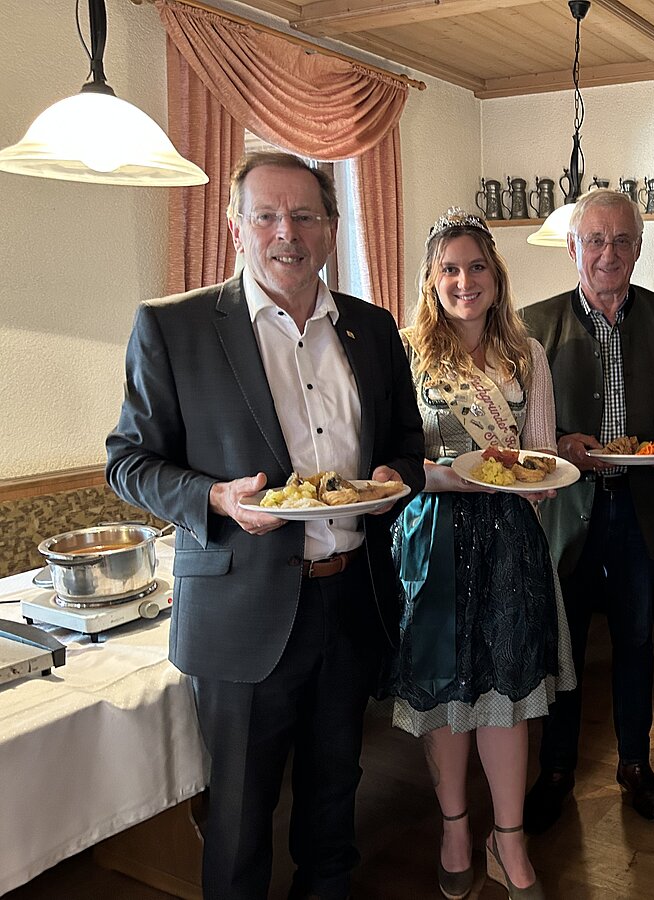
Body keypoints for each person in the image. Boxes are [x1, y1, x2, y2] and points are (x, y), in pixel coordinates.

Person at [105, 151, 426, 900]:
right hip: (241, 612)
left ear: (332, 226)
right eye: (268, 215)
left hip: (350, 602)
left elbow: (407, 448)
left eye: (306, 215)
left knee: (333, 798)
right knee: (241, 819)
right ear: (236, 227)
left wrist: (393, 480)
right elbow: (128, 461)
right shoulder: (173, 326)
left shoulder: (374, 330)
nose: (289, 231)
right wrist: (217, 499)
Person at [377, 208, 574, 900]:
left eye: (477, 267)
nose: (465, 281)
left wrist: (537, 481)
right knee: (446, 695)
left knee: (510, 695)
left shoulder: (527, 353)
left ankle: (509, 839)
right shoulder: (404, 353)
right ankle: (456, 827)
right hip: (433, 540)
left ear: (497, 275)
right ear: (430, 280)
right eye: (450, 269)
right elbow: (392, 462)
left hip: (510, 542)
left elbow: (541, 457)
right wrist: (450, 475)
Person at [521, 188, 654, 831]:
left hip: (641, 509)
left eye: (621, 239)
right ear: (572, 248)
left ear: (639, 247)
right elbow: (521, 431)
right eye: (594, 240)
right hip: (568, 513)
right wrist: (560, 445)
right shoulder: (532, 325)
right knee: (562, 646)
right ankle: (558, 769)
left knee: (638, 643)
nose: (608, 253)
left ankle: (634, 764)